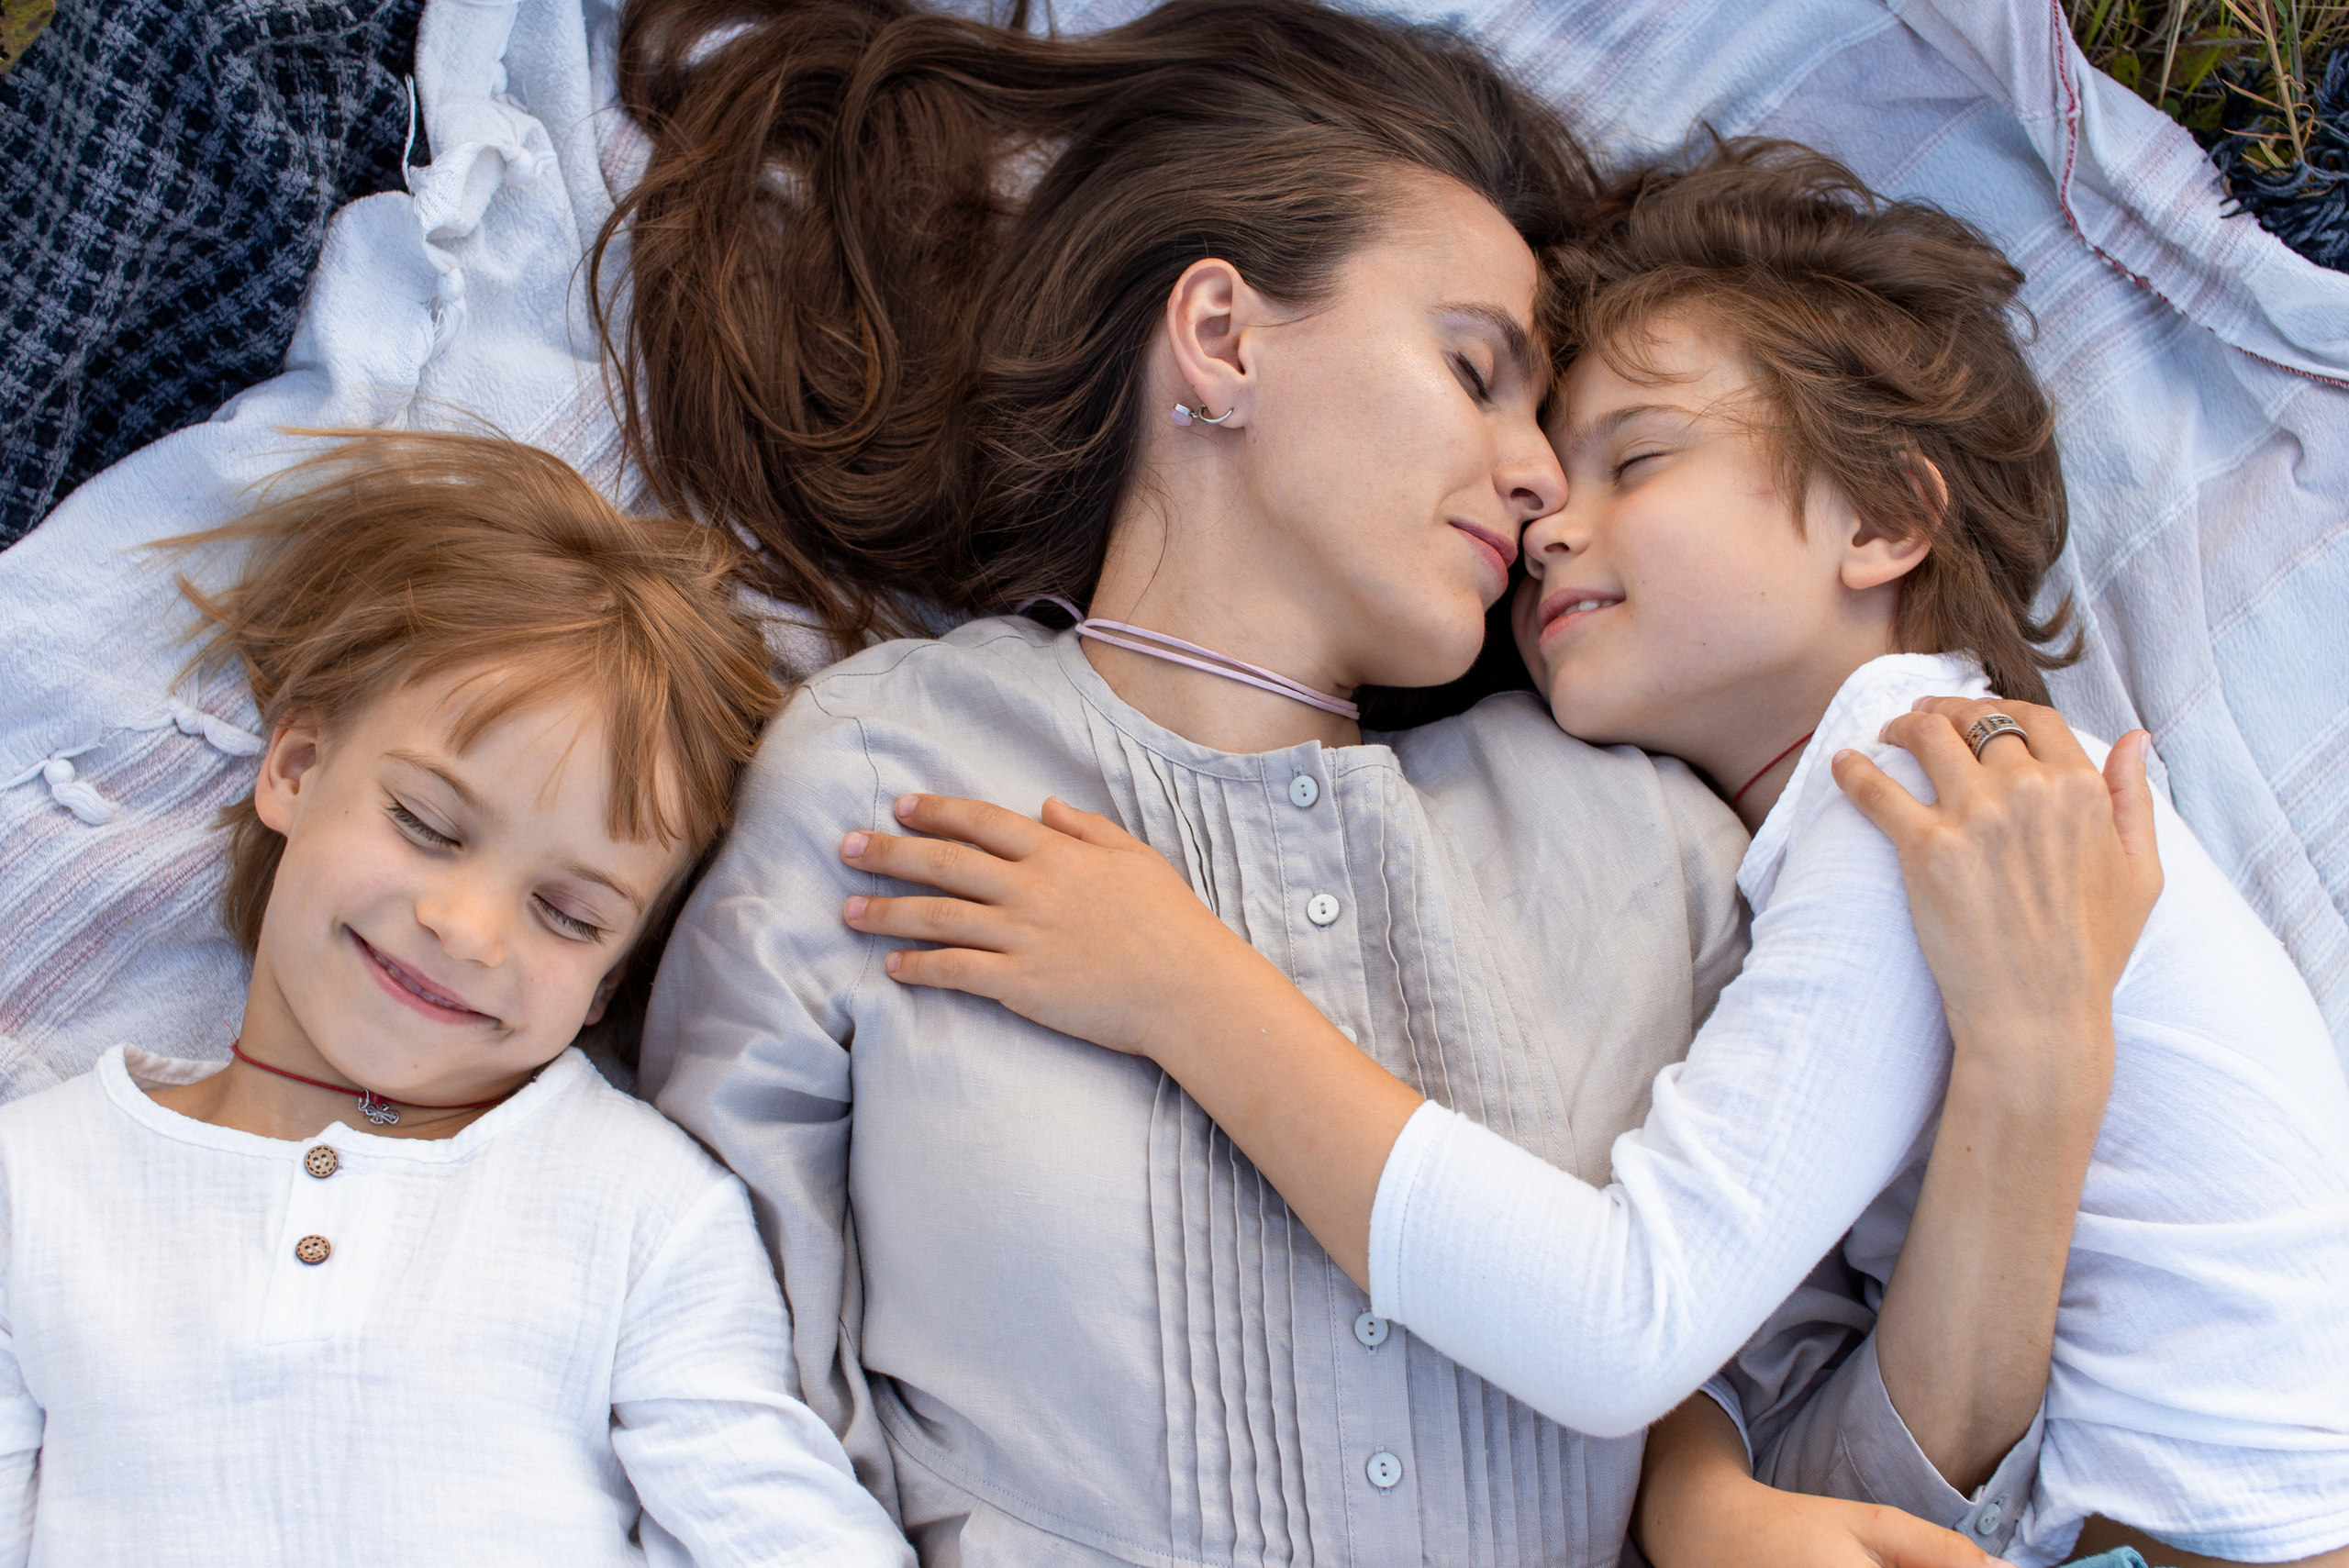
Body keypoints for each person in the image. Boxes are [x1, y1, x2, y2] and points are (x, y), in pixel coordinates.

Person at [611, 3, 2154, 1563]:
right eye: (1477, 370)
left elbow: (1839, 1495)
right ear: (1222, 337)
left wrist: (2032, 1081)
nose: (1544, 474)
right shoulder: (899, 769)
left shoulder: (1641, 841)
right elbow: (703, 1354)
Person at [831, 145, 2349, 1566]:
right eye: (1553, 467)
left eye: (1641, 456)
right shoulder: (1774, 850)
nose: (1550, 515)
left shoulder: (1924, 782)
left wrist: (1182, 984)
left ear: (1881, 519)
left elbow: (1625, 1315)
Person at [0, 432, 917, 1567]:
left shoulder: (640, 1208)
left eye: (568, 915)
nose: (467, 928)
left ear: (608, 983)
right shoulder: (34, 1181)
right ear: (293, 766)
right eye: (427, 826)